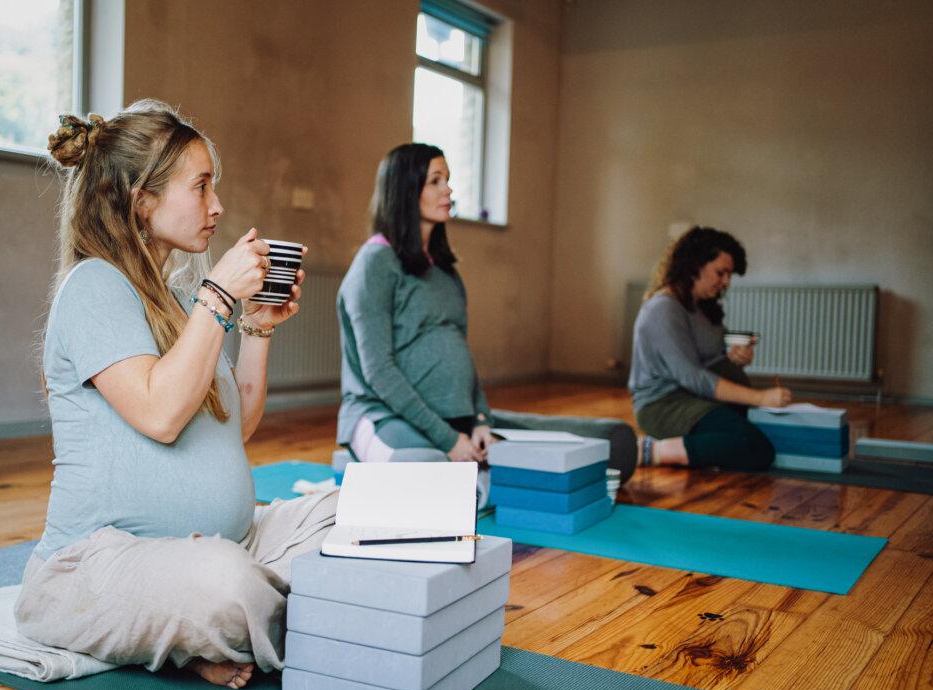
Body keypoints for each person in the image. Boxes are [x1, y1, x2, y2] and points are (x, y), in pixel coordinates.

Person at [14, 100, 337, 690]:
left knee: (349, 514)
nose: (216, 206)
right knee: (227, 583)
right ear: (142, 198)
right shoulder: (93, 287)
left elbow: (230, 430)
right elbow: (162, 415)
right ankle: (252, 617)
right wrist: (218, 295)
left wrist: (259, 325)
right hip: (94, 568)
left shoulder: (180, 299)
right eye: (201, 186)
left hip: (216, 545)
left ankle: (198, 630)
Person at [336, 143, 637, 492]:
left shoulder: (445, 271)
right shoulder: (375, 264)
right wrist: (448, 440)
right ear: (405, 189)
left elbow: (462, 353)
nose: (448, 189)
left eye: (447, 179)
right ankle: (467, 476)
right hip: (381, 415)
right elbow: (378, 372)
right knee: (430, 477)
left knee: (612, 445)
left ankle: (479, 472)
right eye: (435, 180)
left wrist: (480, 421)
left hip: (456, 419)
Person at [629, 226, 791, 470]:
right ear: (694, 265)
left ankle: (698, 448)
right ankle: (653, 451)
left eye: (729, 275)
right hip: (664, 405)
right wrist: (760, 398)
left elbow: (712, 356)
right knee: (757, 446)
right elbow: (692, 376)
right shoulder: (663, 309)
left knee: (767, 434)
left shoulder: (701, 306)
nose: (726, 282)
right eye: (720, 272)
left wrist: (735, 357)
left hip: (696, 398)